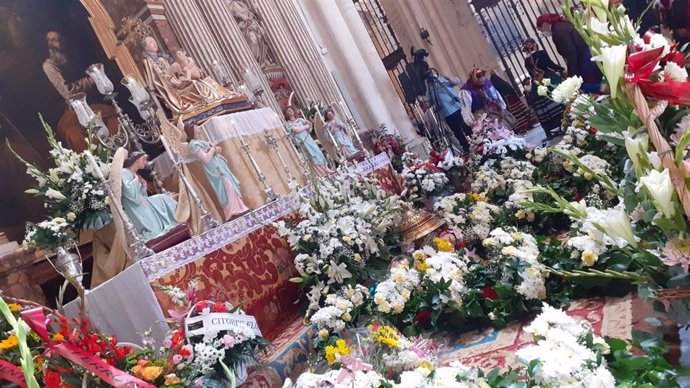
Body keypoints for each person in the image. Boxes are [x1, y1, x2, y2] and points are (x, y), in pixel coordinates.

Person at [184, 123, 249, 221]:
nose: (198, 128)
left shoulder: (200, 141)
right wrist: (213, 148)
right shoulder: (194, 144)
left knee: (231, 186)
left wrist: (215, 149)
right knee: (226, 188)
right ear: (192, 130)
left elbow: (213, 152)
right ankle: (232, 210)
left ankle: (239, 207)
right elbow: (205, 159)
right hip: (215, 169)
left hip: (219, 166)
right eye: (196, 126)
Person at [121, 151, 179, 240]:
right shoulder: (124, 172)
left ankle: (176, 218)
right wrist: (136, 180)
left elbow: (140, 194)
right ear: (136, 161)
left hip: (142, 202)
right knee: (161, 198)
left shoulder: (135, 173)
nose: (145, 162)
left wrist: (143, 186)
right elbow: (130, 193)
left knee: (162, 198)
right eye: (143, 160)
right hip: (135, 206)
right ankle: (169, 221)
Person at [536, 14, 602, 86]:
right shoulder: (563, 25)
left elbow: (570, 54)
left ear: (545, 25)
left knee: (587, 85)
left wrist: (571, 75)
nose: (542, 33)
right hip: (589, 55)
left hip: (584, 61)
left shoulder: (558, 32)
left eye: (541, 30)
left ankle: (605, 90)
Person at [425, 70, 474, 152]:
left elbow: (457, 81)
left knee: (466, 126)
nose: (431, 75)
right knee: (457, 132)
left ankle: (474, 140)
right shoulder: (429, 89)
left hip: (456, 108)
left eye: (432, 73)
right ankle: (466, 148)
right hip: (446, 114)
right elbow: (428, 104)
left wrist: (447, 77)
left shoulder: (442, 80)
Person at [284, 105, 331, 177]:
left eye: (291, 109)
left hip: (308, 139)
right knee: (311, 157)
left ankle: (326, 168)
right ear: (286, 114)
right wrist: (306, 127)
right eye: (288, 111)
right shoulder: (289, 124)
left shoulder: (300, 120)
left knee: (318, 153)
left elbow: (309, 129)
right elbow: (296, 130)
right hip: (303, 143)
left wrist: (310, 126)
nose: (291, 111)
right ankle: (321, 173)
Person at [489, 69, 534, 134]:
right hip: (513, 99)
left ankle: (520, 127)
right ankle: (528, 124)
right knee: (521, 112)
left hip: (508, 101)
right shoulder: (503, 82)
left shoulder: (495, 84)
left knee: (515, 114)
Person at [522, 71, 564, 139]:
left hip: (544, 101)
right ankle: (560, 126)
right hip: (546, 100)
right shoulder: (537, 79)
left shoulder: (541, 77)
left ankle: (553, 130)